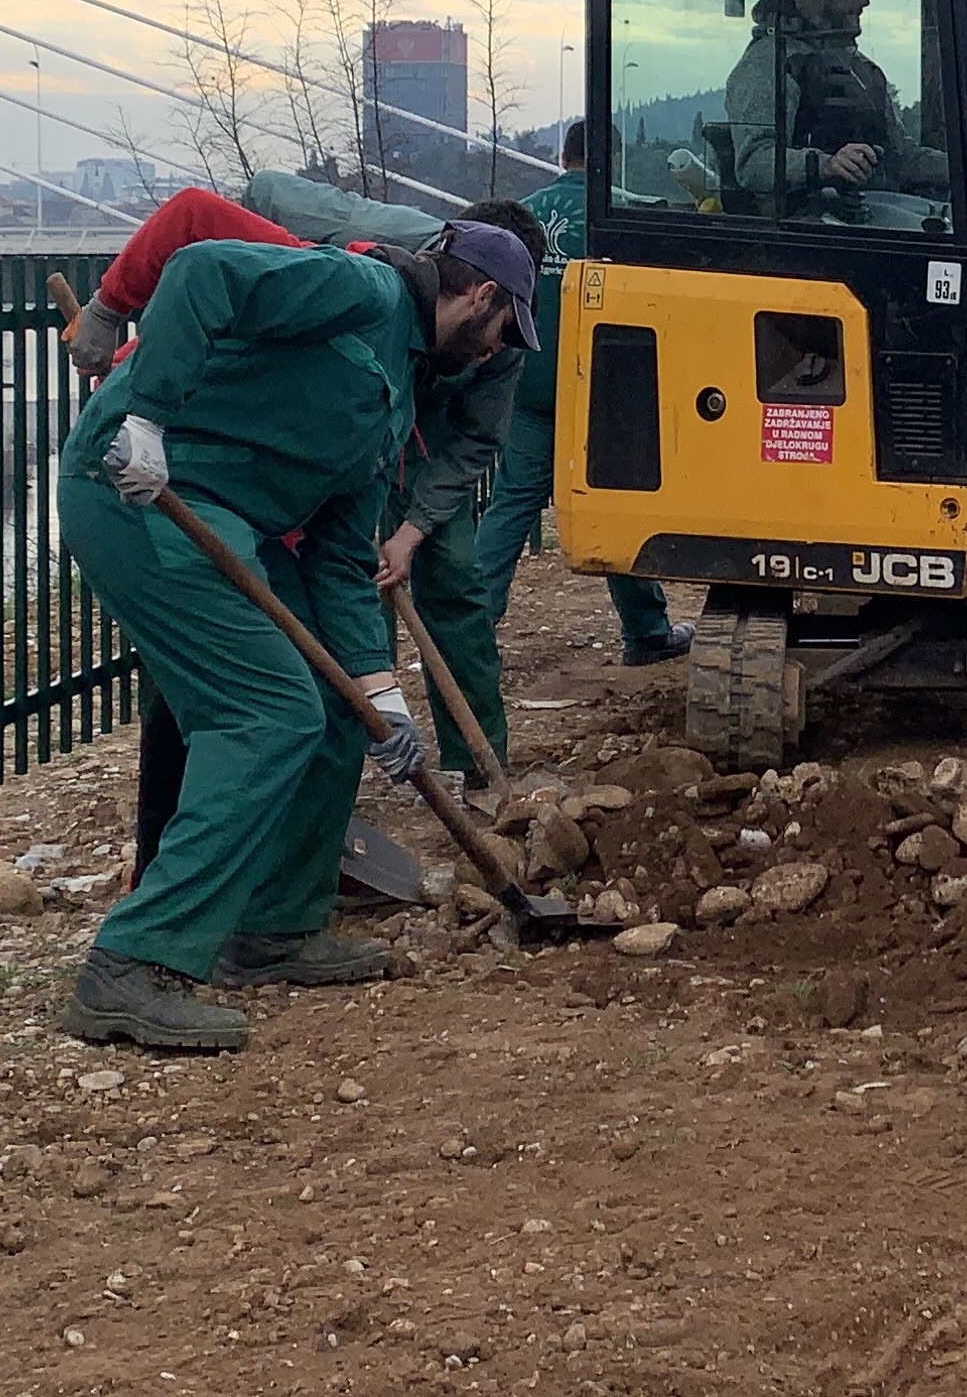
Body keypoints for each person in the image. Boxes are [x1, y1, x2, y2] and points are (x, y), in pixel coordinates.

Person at [50, 218, 528, 1053]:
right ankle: (130, 966)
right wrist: (149, 419)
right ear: (479, 296)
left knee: (338, 710)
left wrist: (382, 696)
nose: (495, 353)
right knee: (267, 715)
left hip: (223, 517)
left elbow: (344, 556)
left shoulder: (402, 387)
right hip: (137, 495)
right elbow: (200, 270)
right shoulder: (363, 290)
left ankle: (272, 928)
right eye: (501, 330)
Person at [476, 121, 686, 665]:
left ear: (561, 155)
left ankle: (469, 630)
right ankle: (646, 633)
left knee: (511, 506)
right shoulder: (623, 215)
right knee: (618, 501)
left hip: (530, 383)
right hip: (605, 391)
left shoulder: (520, 217)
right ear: (610, 159)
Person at [720, 0, 947, 208]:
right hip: (807, 231)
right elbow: (754, 163)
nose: (865, 1)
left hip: (874, 216)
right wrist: (826, 165)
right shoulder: (771, 62)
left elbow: (900, 157)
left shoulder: (864, 70)